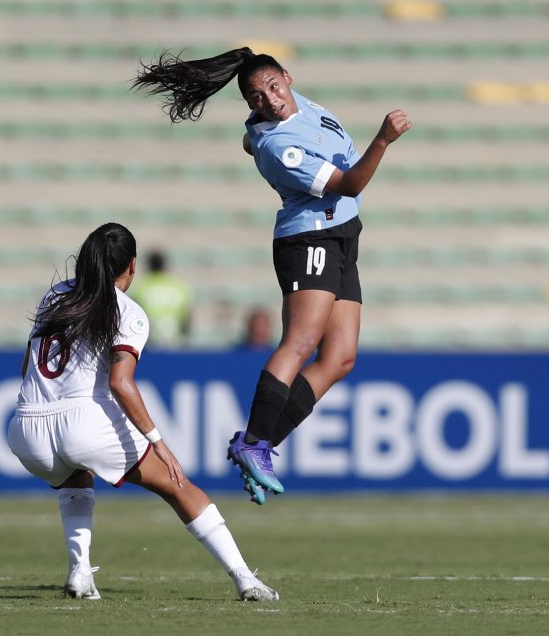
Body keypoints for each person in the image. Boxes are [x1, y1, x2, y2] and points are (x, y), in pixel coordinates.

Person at [134, 48, 411, 504]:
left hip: (341, 235)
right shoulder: (279, 146)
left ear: (287, 76)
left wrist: (251, 115)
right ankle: (254, 443)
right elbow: (351, 183)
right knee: (300, 343)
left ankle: (258, 446)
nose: (270, 99)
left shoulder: (290, 108)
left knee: (340, 358)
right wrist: (381, 139)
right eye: (257, 97)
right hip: (310, 241)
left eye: (273, 87)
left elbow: (251, 136)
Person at [7, 222, 278, 602]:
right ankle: (245, 579)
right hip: (81, 424)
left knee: (75, 475)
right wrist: (158, 441)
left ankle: (80, 572)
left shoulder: (54, 296)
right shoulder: (128, 311)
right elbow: (121, 383)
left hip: (26, 426)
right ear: (131, 267)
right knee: (177, 485)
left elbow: (27, 368)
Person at [128, 250, 193, 348]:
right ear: (164, 265)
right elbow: (187, 317)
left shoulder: (140, 287)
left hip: (148, 343)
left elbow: (132, 316)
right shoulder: (179, 287)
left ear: (148, 266)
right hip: (176, 342)